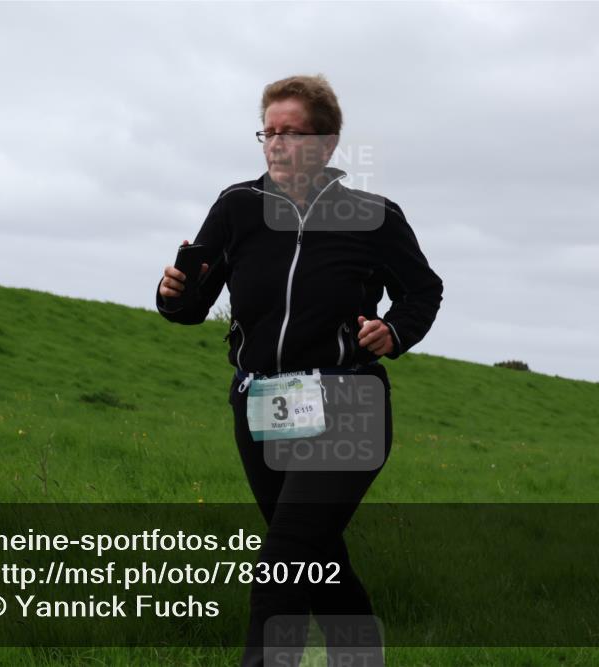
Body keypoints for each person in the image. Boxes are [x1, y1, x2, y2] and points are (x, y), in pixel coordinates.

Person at [155, 74, 443, 667]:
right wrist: (171, 292)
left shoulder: (374, 216)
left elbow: (423, 290)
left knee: (284, 557)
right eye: (270, 132)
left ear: (328, 144)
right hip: (261, 405)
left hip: (347, 404)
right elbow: (190, 307)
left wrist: (394, 331)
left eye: (293, 133)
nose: (277, 145)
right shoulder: (238, 208)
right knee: (316, 558)